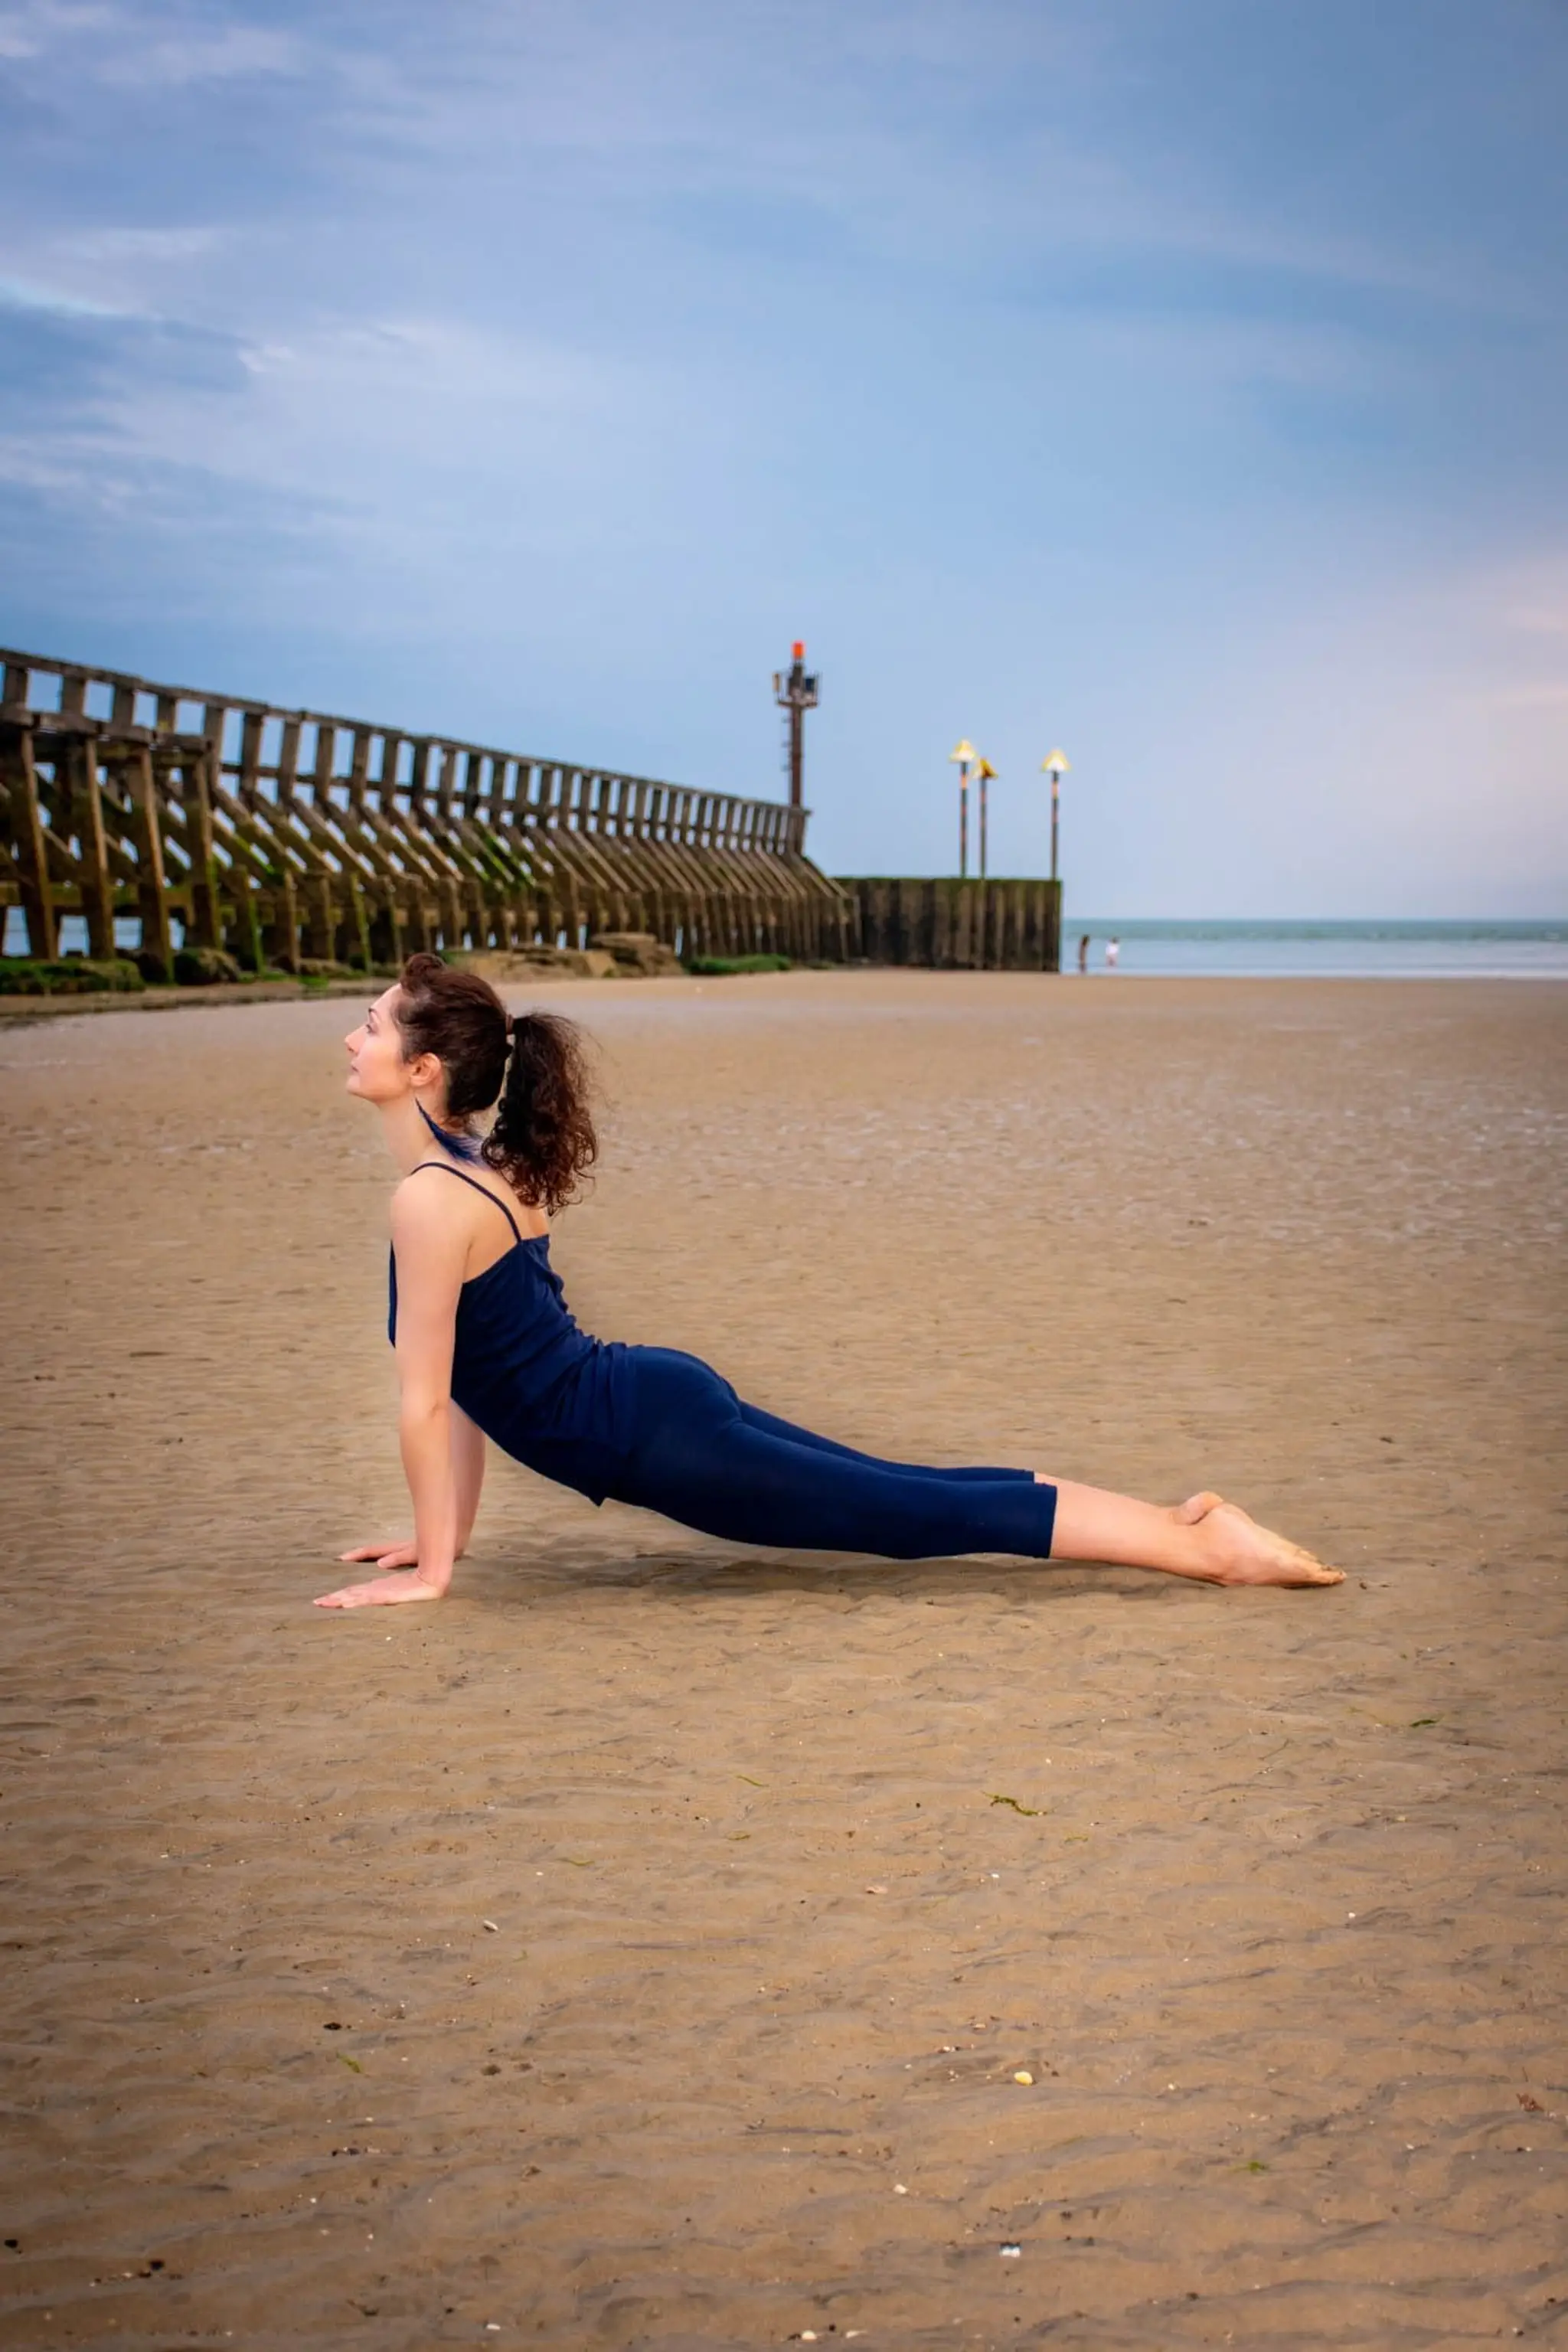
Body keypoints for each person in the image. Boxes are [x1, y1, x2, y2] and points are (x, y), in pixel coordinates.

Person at [316, 955, 1342, 1609]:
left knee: (911, 1515)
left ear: (423, 1071)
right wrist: (434, 1540)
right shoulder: (470, 1175)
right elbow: (469, 1393)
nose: (352, 1037)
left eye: (371, 1024)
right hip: (655, 1404)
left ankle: (1210, 1553)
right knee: (912, 1494)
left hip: (652, 1432)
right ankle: (1185, 1528)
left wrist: (440, 1573)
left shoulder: (432, 1198)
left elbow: (427, 1402)